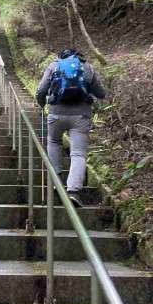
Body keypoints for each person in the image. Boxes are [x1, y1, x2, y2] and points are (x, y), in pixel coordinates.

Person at [36, 48, 106, 207]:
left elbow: (41, 90)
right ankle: (73, 191)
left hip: (56, 114)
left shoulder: (54, 65)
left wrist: (42, 104)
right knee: (78, 154)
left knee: (54, 143)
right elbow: (101, 93)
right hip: (81, 116)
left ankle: (56, 182)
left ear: (61, 56)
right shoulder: (87, 67)